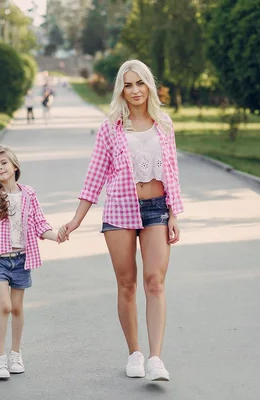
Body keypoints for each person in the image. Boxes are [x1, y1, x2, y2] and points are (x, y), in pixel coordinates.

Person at [58, 59, 183, 382]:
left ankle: (156, 358)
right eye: (128, 85)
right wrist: (75, 220)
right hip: (119, 210)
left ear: (149, 86)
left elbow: (172, 173)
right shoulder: (110, 127)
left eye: (139, 83)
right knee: (127, 284)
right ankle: (135, 353)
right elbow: (95, 176)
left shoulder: (164, 124)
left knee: (154, 281)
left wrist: (174, 214)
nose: (135, 90)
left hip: (156, 210)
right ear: (121, 89)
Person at [0, 144, 65, 380]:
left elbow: (39, 225)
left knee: (17, 308)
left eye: (3, 163)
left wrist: (57, 236)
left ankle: (16, 354)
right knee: (4, 306)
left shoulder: (29, 195)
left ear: (15, 166)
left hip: (21, 259)